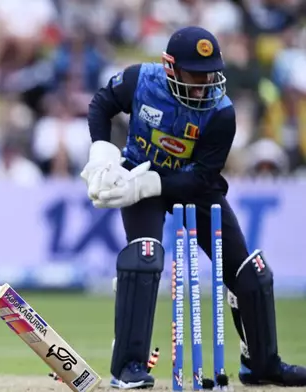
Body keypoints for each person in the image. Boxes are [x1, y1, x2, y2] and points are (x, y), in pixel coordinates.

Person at [80, 26, 306, 389]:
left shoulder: (221, 112)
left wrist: (148, 184)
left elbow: (203, 177)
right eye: (193, 75)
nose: (202, 85)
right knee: (144, 257)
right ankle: (128, 368)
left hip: (192, 188)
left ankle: (263, 365)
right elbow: (101, 104)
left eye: (209, 75)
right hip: (140, 173)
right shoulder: (141, 80)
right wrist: (102, 154)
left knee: (251, 272)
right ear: (170, 68)